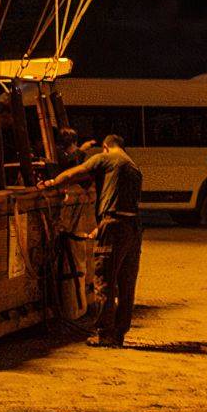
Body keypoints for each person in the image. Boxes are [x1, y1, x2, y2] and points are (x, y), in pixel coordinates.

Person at [40, 133, 143, 348]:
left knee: (104, 279)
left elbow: (75, 174)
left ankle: (105, 334)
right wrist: (99, 228)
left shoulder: (106, 158)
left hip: (114, 225)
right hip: (133, 228)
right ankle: (119, 334)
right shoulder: (133, 167)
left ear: (106, 146)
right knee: (126, 283)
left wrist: (52, 183)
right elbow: (122, 201)